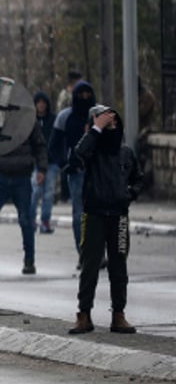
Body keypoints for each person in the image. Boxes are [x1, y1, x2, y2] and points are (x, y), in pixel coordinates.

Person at [67, 106, 142, 335]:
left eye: (113, 123)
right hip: (94, 215)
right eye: (105, 123)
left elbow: (138, 180)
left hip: (118, 216)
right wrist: (96, 129)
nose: (111, 128)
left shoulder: (126, 153)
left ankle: (119, 315)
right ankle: (84, 315)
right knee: (90, 264)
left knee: (119, 266)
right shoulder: (93, 151)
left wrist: (127, 195)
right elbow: (78, 153)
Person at [0, 103, 47, 275]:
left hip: (22, 178)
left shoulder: (29, 121)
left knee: (25, 219)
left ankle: (29, 260)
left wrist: (42, 168)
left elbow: (40, 145)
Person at [50, 80, 96, 253]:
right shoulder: (65, 117)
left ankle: (98, 253)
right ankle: (84, 252)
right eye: (81, 95)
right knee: (80, 214)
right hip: (76, 172)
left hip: (98, 172)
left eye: (87, 95)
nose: (84, 98)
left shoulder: (99, 115)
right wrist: (64, 164)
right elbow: (54, 145)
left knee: (100, 214)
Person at [31, 92, 59, 234]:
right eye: (38, 102)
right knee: (34, 191)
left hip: (51, 162)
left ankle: (45, 221)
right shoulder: (30, 120)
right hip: (34, 162)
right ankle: (30, 220)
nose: (41, 105)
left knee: (48, 193)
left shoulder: (54, 120)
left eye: (43, 102)